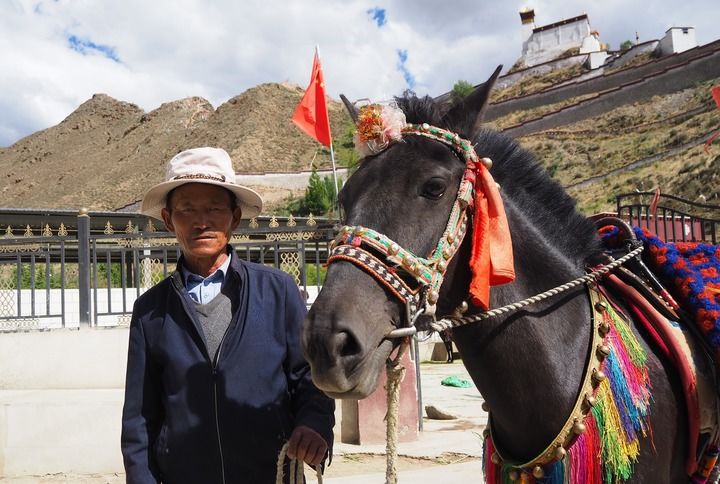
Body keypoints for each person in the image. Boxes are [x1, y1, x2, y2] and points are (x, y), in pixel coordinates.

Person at [121, 147, 335, 483]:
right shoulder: (150, 310)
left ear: (234, 218)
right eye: (187, 210)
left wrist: (314, 424)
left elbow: (310, 379)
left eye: (214, 209)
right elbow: (139, 419)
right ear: (168, 219)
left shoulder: (278, 291)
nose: (201, 221)